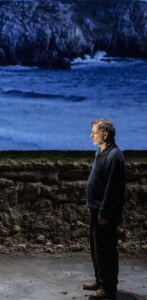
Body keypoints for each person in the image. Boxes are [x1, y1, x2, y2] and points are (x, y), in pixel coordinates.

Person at [83, 119, 125, 300]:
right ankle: (100, 280)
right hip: (96, 210)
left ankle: (108, 288)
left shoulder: (114, 156)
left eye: (94, 132)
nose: (91, 135)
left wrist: (104, 213)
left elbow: (112, 189)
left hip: (104, 213)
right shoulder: (101, 152)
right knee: (96, 249)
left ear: (105, 134)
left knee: (106, 250)